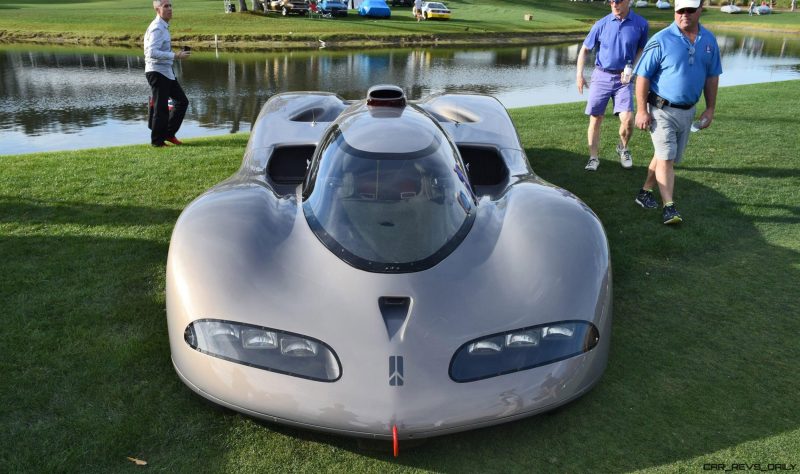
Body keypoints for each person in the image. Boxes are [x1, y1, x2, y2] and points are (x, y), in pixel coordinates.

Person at [632, 0, 722, 225]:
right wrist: (641, 110)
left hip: (688, 111)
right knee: (667, 157)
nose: (684, 15)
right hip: (660, 110)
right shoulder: (661, 40)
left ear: (700, 10)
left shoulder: (709, 41)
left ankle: (644, 192)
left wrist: (710, 108)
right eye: (680, 10)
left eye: (690, 10)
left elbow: (712, 77)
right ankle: (669, 207)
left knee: (665, 156)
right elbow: (642, 76)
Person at [576, 0, 649, 172]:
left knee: (628, 120)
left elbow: (641, 49)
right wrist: (579, 75)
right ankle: (593, 158)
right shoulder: (601, 24)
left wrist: (632, 69)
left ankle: (623, 148)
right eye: (611, 1)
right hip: (601, 76)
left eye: (618, 1)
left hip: (624, 80)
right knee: (596, 118)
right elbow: (585, 49)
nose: (614, 4)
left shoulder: (641, 24)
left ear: (628, 1)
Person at [144, 0, 190, 148]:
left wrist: (176, 54)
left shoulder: (164, 26)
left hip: (166, 72)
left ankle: (169, 134)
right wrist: (175, 56)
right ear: (158, 9)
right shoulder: (157, 28)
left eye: (170, 6)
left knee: (182, 101)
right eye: (166, 6)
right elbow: (151, 52)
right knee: (161, 107)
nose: (170, 9)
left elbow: (160, 50)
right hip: (157, 72)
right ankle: (157, 142)